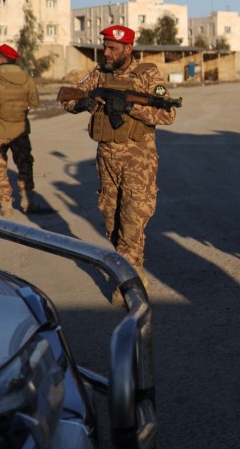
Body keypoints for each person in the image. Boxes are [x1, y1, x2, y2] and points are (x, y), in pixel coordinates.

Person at [62, 25, 176, 296]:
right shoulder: (99, 73)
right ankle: (134, 269)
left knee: (132, 220)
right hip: (106, 158)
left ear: (128, 49)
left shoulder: (147, 74)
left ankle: (129, 284)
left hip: (139, 160)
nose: (106, 52)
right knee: (111, 220)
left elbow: (168, 114)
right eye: (105, 47)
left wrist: (131, 107)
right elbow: (68, 97)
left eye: (112, 48)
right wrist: (84, 102)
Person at [0, 43, 51, 216]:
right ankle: (28, 202)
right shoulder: (27, 78)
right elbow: (34, 102)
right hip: (20, 131)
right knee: (24, 165)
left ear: (1, 59)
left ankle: (6, 207)